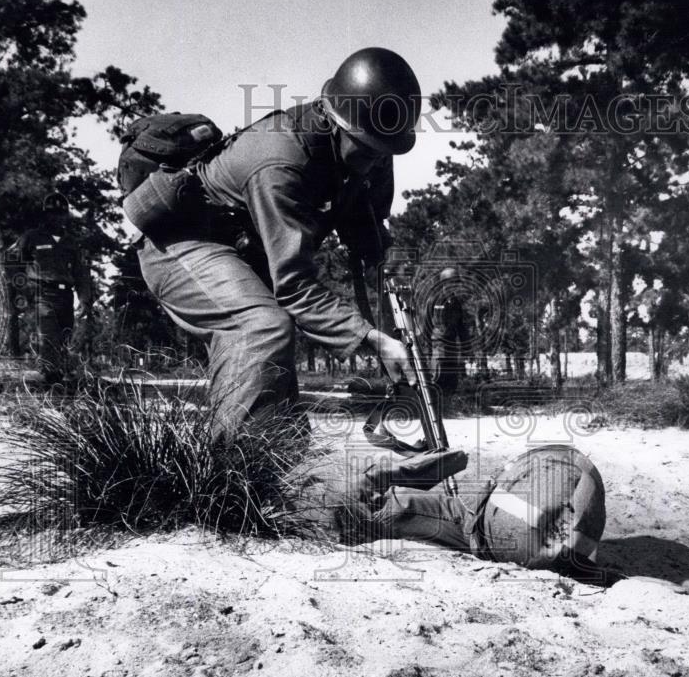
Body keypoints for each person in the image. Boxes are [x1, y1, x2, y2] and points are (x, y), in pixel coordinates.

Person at [130, 47, 422, 439]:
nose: (377, 162)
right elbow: (295, 286)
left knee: (279, 422)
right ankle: (223, 485)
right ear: (338, 123)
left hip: (244, 254)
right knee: (261, 328)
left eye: (385, 153)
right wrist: (371, 340)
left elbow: (368, 237)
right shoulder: (281, 162)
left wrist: (399, 327)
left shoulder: (365, 146)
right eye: (369, 151)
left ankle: (276, 472)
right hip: (182, 247)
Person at [295, 444, 614, 583]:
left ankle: (386, 481)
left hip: (495, 514)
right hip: (524, 494)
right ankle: (389, 480)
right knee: (370, 506)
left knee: (365, 507)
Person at [7, 191, 94, 386]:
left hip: (65, 296)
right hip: (42, 294)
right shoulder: (31, 237)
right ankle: (48, 379)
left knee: (64, 338)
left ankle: (61, 382)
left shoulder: (71, 242)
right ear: (45, 215)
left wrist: (84, 300)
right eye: (52, 213)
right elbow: (13, 262)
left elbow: (81, 273)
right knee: (47, 337)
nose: (57, 217)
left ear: (66, 215)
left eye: (61, 213)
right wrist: (19, 290)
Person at [428, 266, 470, 394]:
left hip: (452, 346)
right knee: (438, 378)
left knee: (452, 381)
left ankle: (448, 408)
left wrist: (466, 347)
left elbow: (460, 326)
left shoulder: (456, 302)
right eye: (453, 283)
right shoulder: (433, 300)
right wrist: (425, 350)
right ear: (444, 283)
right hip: (438, 347)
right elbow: (425, 325)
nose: (455, 286)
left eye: (456, 283)